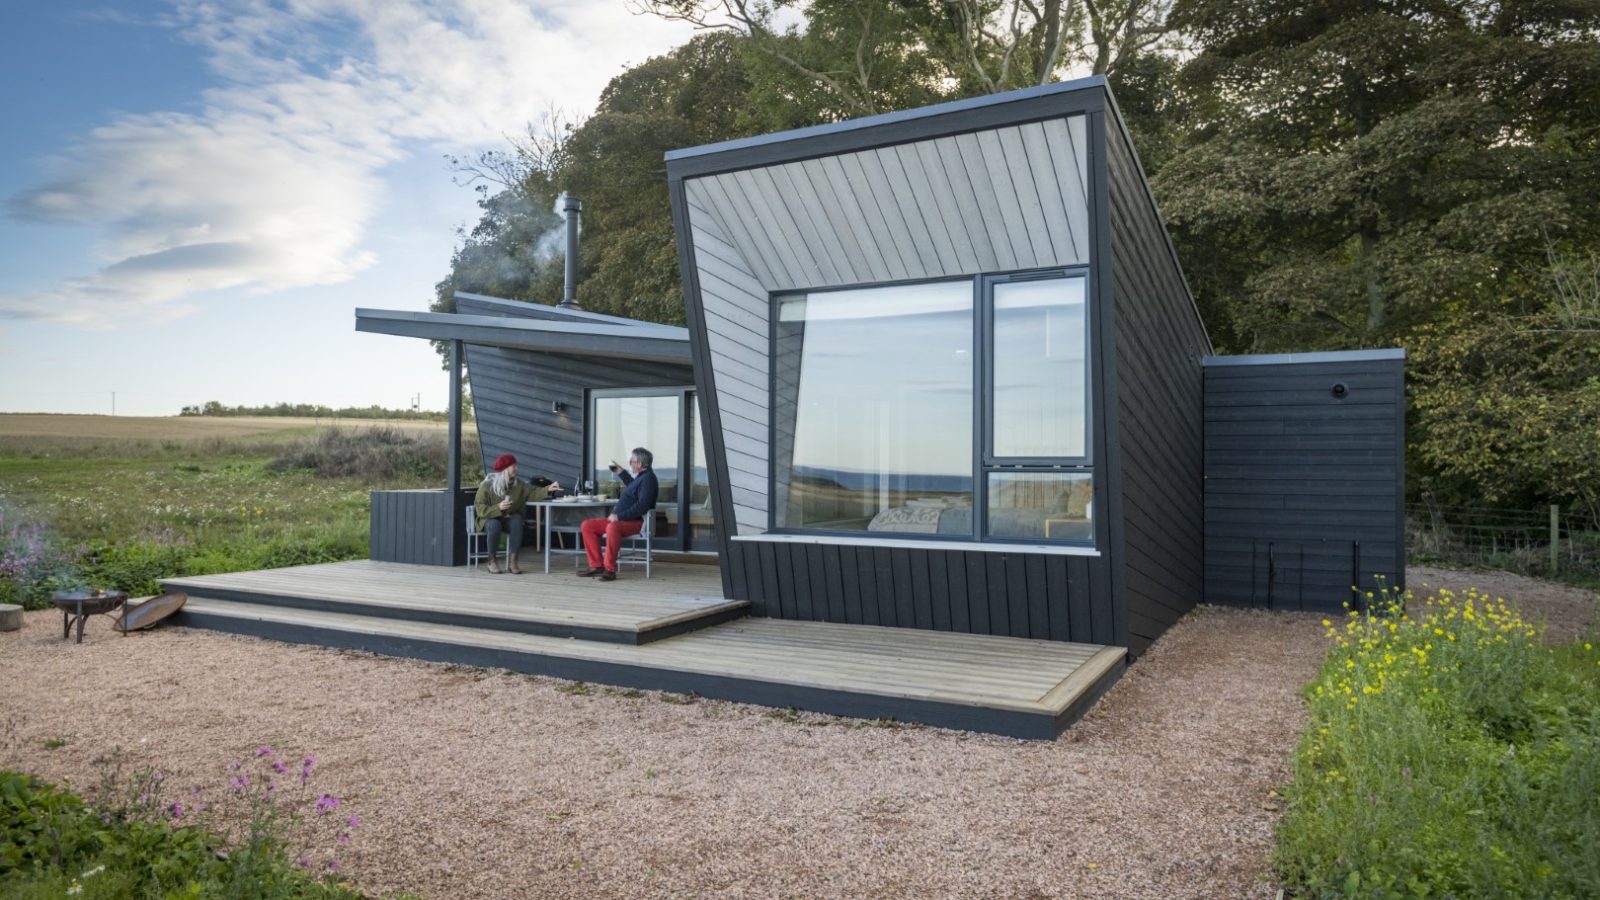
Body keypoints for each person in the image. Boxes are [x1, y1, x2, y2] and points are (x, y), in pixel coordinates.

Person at [578, 447, 658, 582]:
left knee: (612, 527)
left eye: (632, 461)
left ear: (639, 464)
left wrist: (619, 516)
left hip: (637, 523)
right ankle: (597, 566)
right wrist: (621, 472)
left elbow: (642, 506)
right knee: (587, 526)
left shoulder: (649, 479)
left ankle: (609, 570)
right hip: (621, 520)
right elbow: (633, 486)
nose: (629, 463)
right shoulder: (642, 477)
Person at [474, 454, 559, 574]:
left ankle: (514, 561)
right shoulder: (487, 486)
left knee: (517, 520)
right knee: (494, 524)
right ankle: (492, 561)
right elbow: (480, 509)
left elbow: (533, 492)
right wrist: (497, 507)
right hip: (489, 519)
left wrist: (548, 489)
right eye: (513, 466)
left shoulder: (518, 484)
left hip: (507, 519)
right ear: (505, 468)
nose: (516, 468)